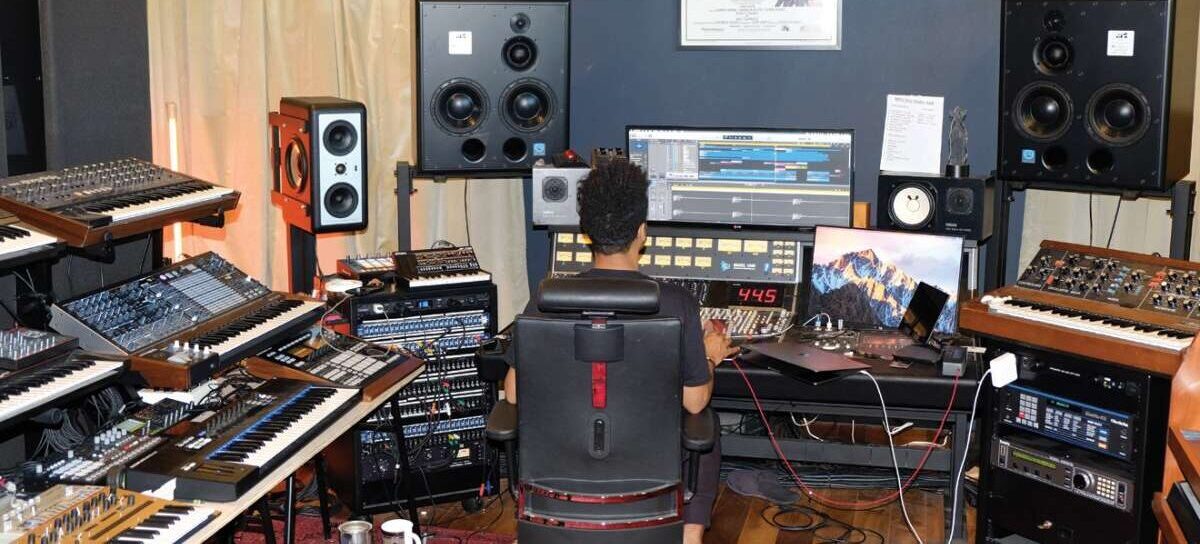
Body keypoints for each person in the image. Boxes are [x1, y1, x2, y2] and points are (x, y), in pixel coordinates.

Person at [504, 159, 738, 544]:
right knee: (704, 425)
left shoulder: (544, 301)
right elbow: (695, 401)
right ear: (642, 231)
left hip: (561, 477)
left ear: (585, 232)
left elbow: (513, 394)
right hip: (651, 481)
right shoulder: (676, 304)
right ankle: (689, 535)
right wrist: (710, 355)